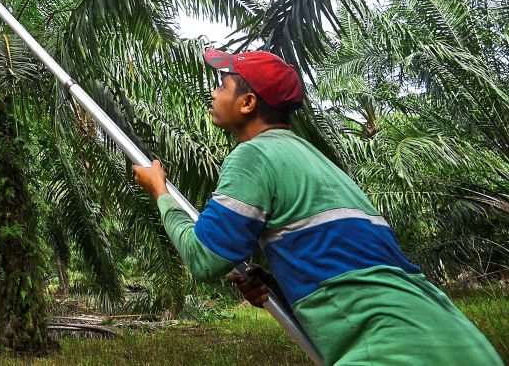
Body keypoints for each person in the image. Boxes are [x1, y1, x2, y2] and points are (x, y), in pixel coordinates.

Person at [132, 48, 500, 365]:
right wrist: (278, 286)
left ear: (247, 103)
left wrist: (161, 193)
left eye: (222, 85)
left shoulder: (254, 156)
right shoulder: (316, 162)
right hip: (455, 336)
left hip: (392, 347)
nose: (212, 93)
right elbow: (352, 267)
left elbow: (203, 258)